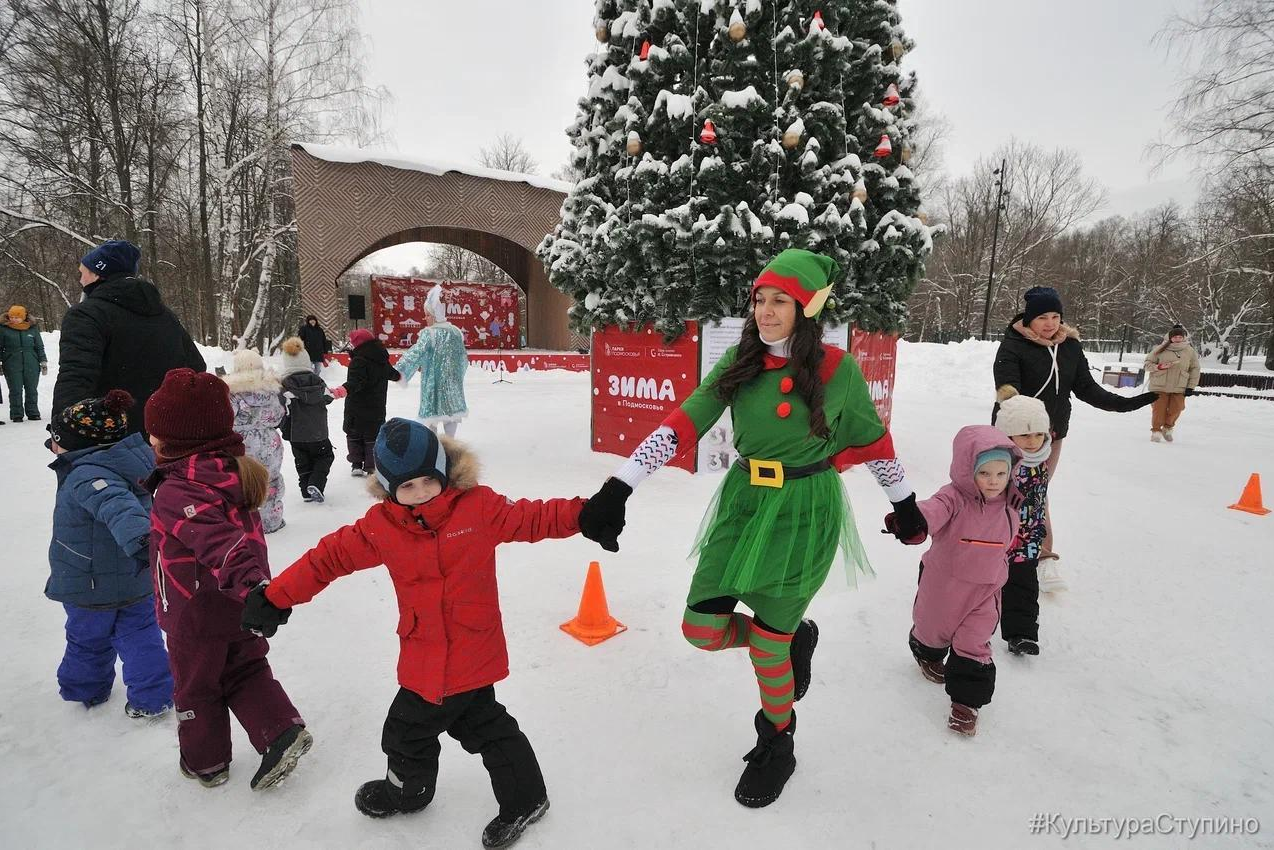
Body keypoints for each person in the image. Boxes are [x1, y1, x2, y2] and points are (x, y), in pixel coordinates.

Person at [576, 249, 927, 808]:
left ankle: (777, 743)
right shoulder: (742, 364)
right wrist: (620, 486)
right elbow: (683, 420)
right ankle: (794, 641)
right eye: (759, 300)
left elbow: (875, 441)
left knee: (767, 649)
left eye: (779, 301)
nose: (765, 311)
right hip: (743, 504)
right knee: (702, 629)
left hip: (804, 510)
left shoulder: (838, 370)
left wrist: (905, 505)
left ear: (806, 307)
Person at [242, 419, 588, 847]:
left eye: (429, 480)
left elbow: (534, 517)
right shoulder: (381, 528)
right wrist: (276, 596)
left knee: (408, 731)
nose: (422, 491)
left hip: (469, 649)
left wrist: (586, 513)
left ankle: (409, 792)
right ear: (388, 488)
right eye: (408, 486)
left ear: (444, 472)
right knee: (485, 727)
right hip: (426, 652)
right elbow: (326, 559)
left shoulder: (478, 508)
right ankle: (525, 797)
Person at [144, 368, 311, 790]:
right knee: (245, 667)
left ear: (170, 441)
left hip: (196, 613)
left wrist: (255, 587)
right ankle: (280, 730)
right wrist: (255, 591)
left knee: (196, 686)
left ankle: (206, 762)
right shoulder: (230, 472)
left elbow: (219, 543)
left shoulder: (178, 490)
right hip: (238, 605)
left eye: (154, 433)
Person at [992, 286, 1156, 589]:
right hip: (1012, 437)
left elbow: (1087, 389)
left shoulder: (1070, 347)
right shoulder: (1013, 345)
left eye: (1056, 316)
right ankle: (994, 550)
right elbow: (1008, 391)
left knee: (1036, 495)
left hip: (1051, 436)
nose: (1051, 323)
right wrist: (1022, 425)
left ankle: (1042, 556)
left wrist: (1128, 403)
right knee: (1000, 492)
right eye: (1042, 317)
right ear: (1029, 319)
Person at [46, 389, 173, 718]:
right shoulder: (129, 462)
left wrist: (142, 541)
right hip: (136, 579)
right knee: (141, 635)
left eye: (56, 440)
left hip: (90, 581)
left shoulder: (89, 474)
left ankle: (85, 690)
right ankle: (154, 695)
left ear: (81, 444)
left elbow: (118, 507)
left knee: (87, 639)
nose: (51, 445)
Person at [898, 426, 1021, 737]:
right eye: (985, 473)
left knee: (973, 644)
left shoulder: (1012, 502)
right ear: (969, 472)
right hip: (944, 584)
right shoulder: (954, 497)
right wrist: (913, 519)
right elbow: (932, 510)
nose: (994, 481)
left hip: (985, 591)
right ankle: (926, 652)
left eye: (1001, 473)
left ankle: (966, 704)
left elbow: (1019, 533)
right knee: (931, 630)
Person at [52, 240, 205, 435]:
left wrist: (64, 429)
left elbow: (76, 376)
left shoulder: (85, 315)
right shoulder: (165, 315)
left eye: (82, 273)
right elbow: (196, 367)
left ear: (97, 274)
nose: (80, 280)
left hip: (109, 435)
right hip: (164, 433)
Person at [992, 395, 1054, 650]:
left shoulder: (1041, 462)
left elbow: (1040, 500)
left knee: (1024, 584)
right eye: (1024, 435)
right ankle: (968, 625)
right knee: (984, 583)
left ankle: (1022, 632)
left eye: (1039, 434)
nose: (1033, 441)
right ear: (1007, 436)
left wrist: (1040, 532)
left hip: (1027, 539)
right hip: (995, 538)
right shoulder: (998, 463)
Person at [224, 349, 286, 533]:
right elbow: (278, 415)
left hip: (241, 444)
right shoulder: (271, 390)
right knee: (270, 480)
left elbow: (227, 418)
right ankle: (271, 521)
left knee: (243, 482)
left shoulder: (232, 394)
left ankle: (244, 523)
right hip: (270, 442)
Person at [396, 286, 468, 437]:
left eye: (427, 315)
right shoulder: (456, 332)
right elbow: (463, 359)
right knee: (451, 414)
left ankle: (434, 446)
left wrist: (400, 370)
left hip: (433, 384)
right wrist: (457, 375)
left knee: (431, 416)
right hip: (452, 384)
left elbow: (415, 353)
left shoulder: (429, 334)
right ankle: (450, 444)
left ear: (435, 315)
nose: (425, 318)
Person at [278, 337, 337, 503]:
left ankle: (306, 491)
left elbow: (279, 406)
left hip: (295, 433)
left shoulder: (283, 385)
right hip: (318, 432)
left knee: (302, 461)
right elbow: (328, 397)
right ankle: (316, 483)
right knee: (325, 456)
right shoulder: (318, 382)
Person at [342, 328, 400, 476]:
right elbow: (392, 374)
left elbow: (356, 382)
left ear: (358, 344)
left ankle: (356, 464)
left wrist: (343, 389)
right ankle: (371, 466)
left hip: (357, 404)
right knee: (372, 436)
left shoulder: (358, 360)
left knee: (354, 434)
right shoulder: (381, 358)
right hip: (376, 406)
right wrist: (400, 376)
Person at [1144, 324, 1201, 443]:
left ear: (1184, 337)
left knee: (1177, 408)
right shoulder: (1160, 348)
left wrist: (1191, 386)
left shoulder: (1189, 350)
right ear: (1170, 337)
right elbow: (1147, 365)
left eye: (1180, 337)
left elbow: (1195, 369)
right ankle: (1156, 431)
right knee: (1159, 409)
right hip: (1160, 385)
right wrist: (1159, 367)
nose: (1177, 339)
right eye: (1175, 337)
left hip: (1179, 386)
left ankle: (1168, 428)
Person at [0, 305, 47, 422]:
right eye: (12, 317)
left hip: (31, 362)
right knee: (15, 389)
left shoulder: (32, 329)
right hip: (11, 363)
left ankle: (33, 413)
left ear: (24, 317)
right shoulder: (3, 329)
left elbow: (39, 346)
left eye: (17, 317)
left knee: (31, 389)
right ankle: (16, 414)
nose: (14, 319)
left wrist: (43, 361)